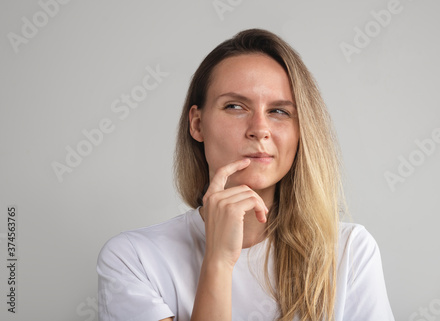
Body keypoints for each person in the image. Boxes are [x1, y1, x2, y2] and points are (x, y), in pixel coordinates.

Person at [97, 28, 395, 321]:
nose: (260, 129)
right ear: (197, 124)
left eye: (279, 111)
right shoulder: (132, 258)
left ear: (300, 130)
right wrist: (218, 262)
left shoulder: (349, 251)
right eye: (235, 106)